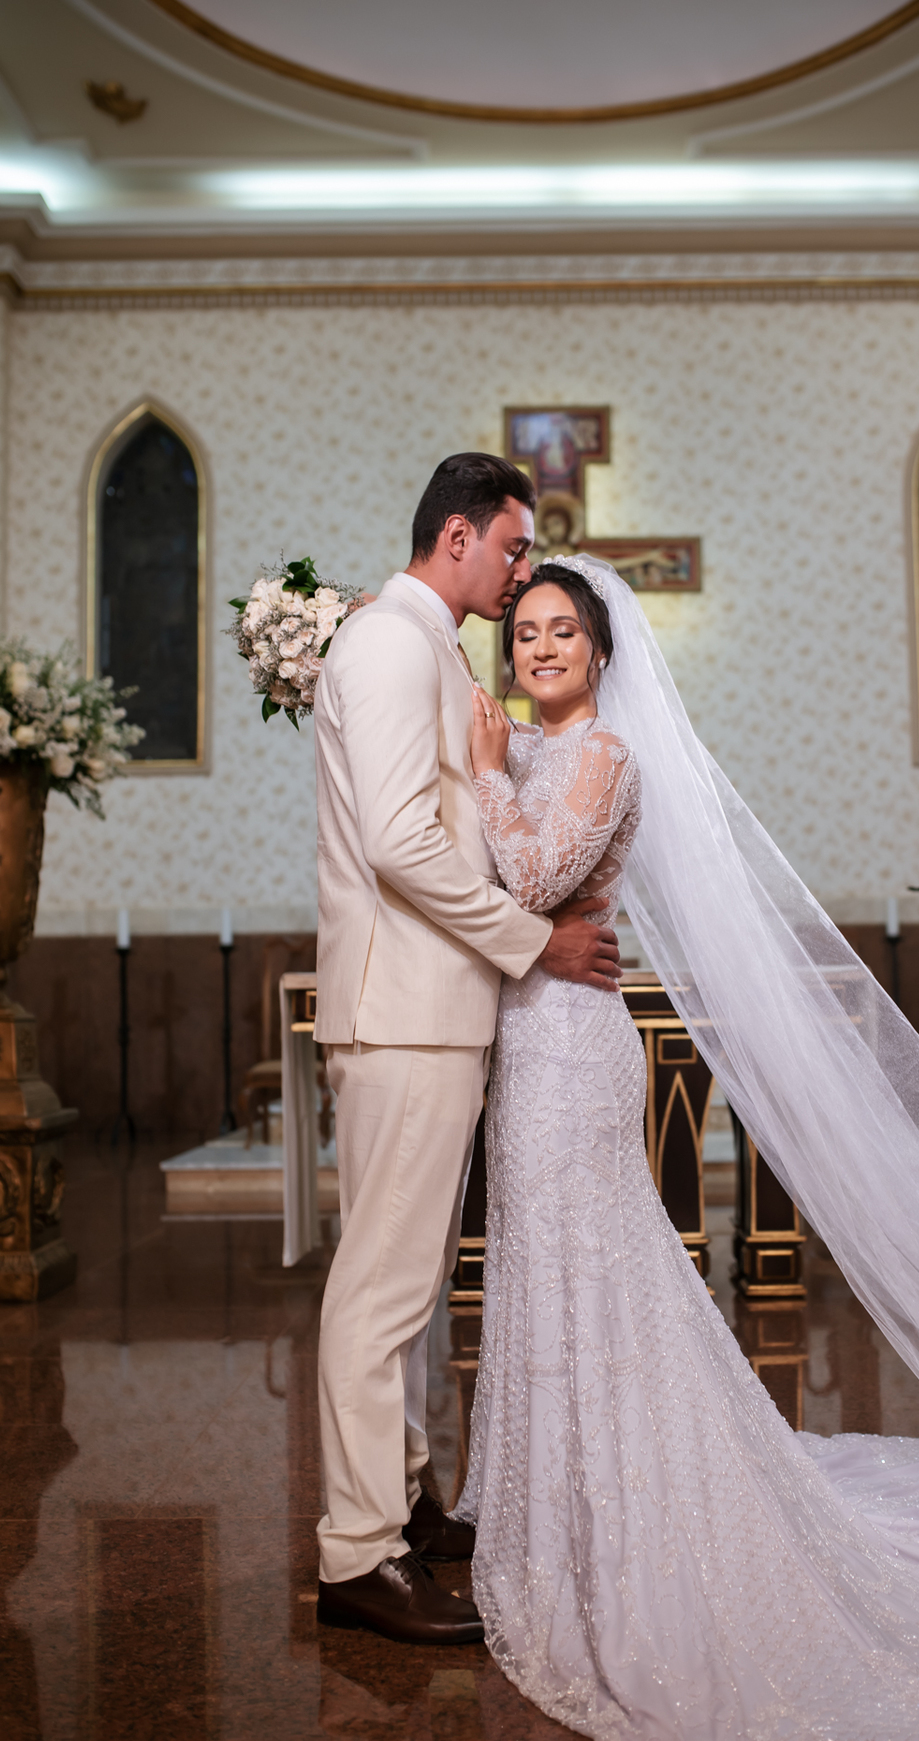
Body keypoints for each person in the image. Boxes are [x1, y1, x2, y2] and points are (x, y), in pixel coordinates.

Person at [460, 552, 919, 1741]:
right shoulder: (520, 750)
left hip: (575, 1054)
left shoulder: (607, 757)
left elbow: (525, 879)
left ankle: (624, 1513)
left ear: (604, 652)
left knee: (600, 1277)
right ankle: (559, 1509)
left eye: (562, 632)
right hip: (525, 1048)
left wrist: (478, 762)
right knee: (548, 1275)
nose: (541, 650)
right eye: (524, 635)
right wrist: (486, 757)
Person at [312, 457, 621, 1646]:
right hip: (406, 1006)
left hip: (429, 1005)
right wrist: (532, 939)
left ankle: (399, 1500)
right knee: (382, 1289)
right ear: (456, 537)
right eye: (509, 550)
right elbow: (398, 842)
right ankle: (356, 1553)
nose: (520, 572)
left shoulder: (417, 644)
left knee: (404, 1284)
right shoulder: (391, 645)